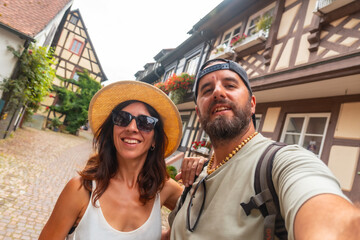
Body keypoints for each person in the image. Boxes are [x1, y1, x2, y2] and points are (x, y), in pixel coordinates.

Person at [170, 59, 360, 240]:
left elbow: (325, 215)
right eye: (207, 90)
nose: (218, 92)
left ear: (252, 104)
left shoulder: (282, 162)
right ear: (198, 112)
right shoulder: (197, 175)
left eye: (230, 85)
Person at [39, 81, 204, 240]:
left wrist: (205, 167)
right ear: (112, 131)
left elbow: (207, 219)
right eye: (122, 118)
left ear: (155, 139)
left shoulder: (164, 189)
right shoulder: (80, 190)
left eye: (145, 122)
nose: (131, 128)